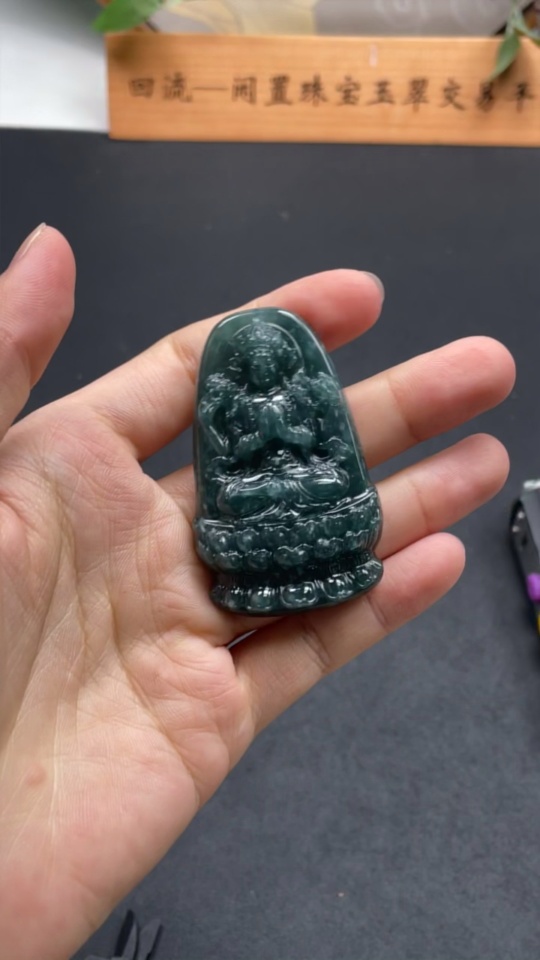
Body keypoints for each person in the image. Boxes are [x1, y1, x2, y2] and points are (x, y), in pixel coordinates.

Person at [0, 225, 515, 960]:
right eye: (260, 362)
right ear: (246, 367)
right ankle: (280, 563)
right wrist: (253, 439)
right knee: (242, 502)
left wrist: (296, 444)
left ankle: (308, 555)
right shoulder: (232, 400)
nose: (269, 367)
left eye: (276, 359)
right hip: (254, 499)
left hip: (306, 489)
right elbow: (233, 468)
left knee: (333, 492)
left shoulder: (306, 390)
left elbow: (331, 455)